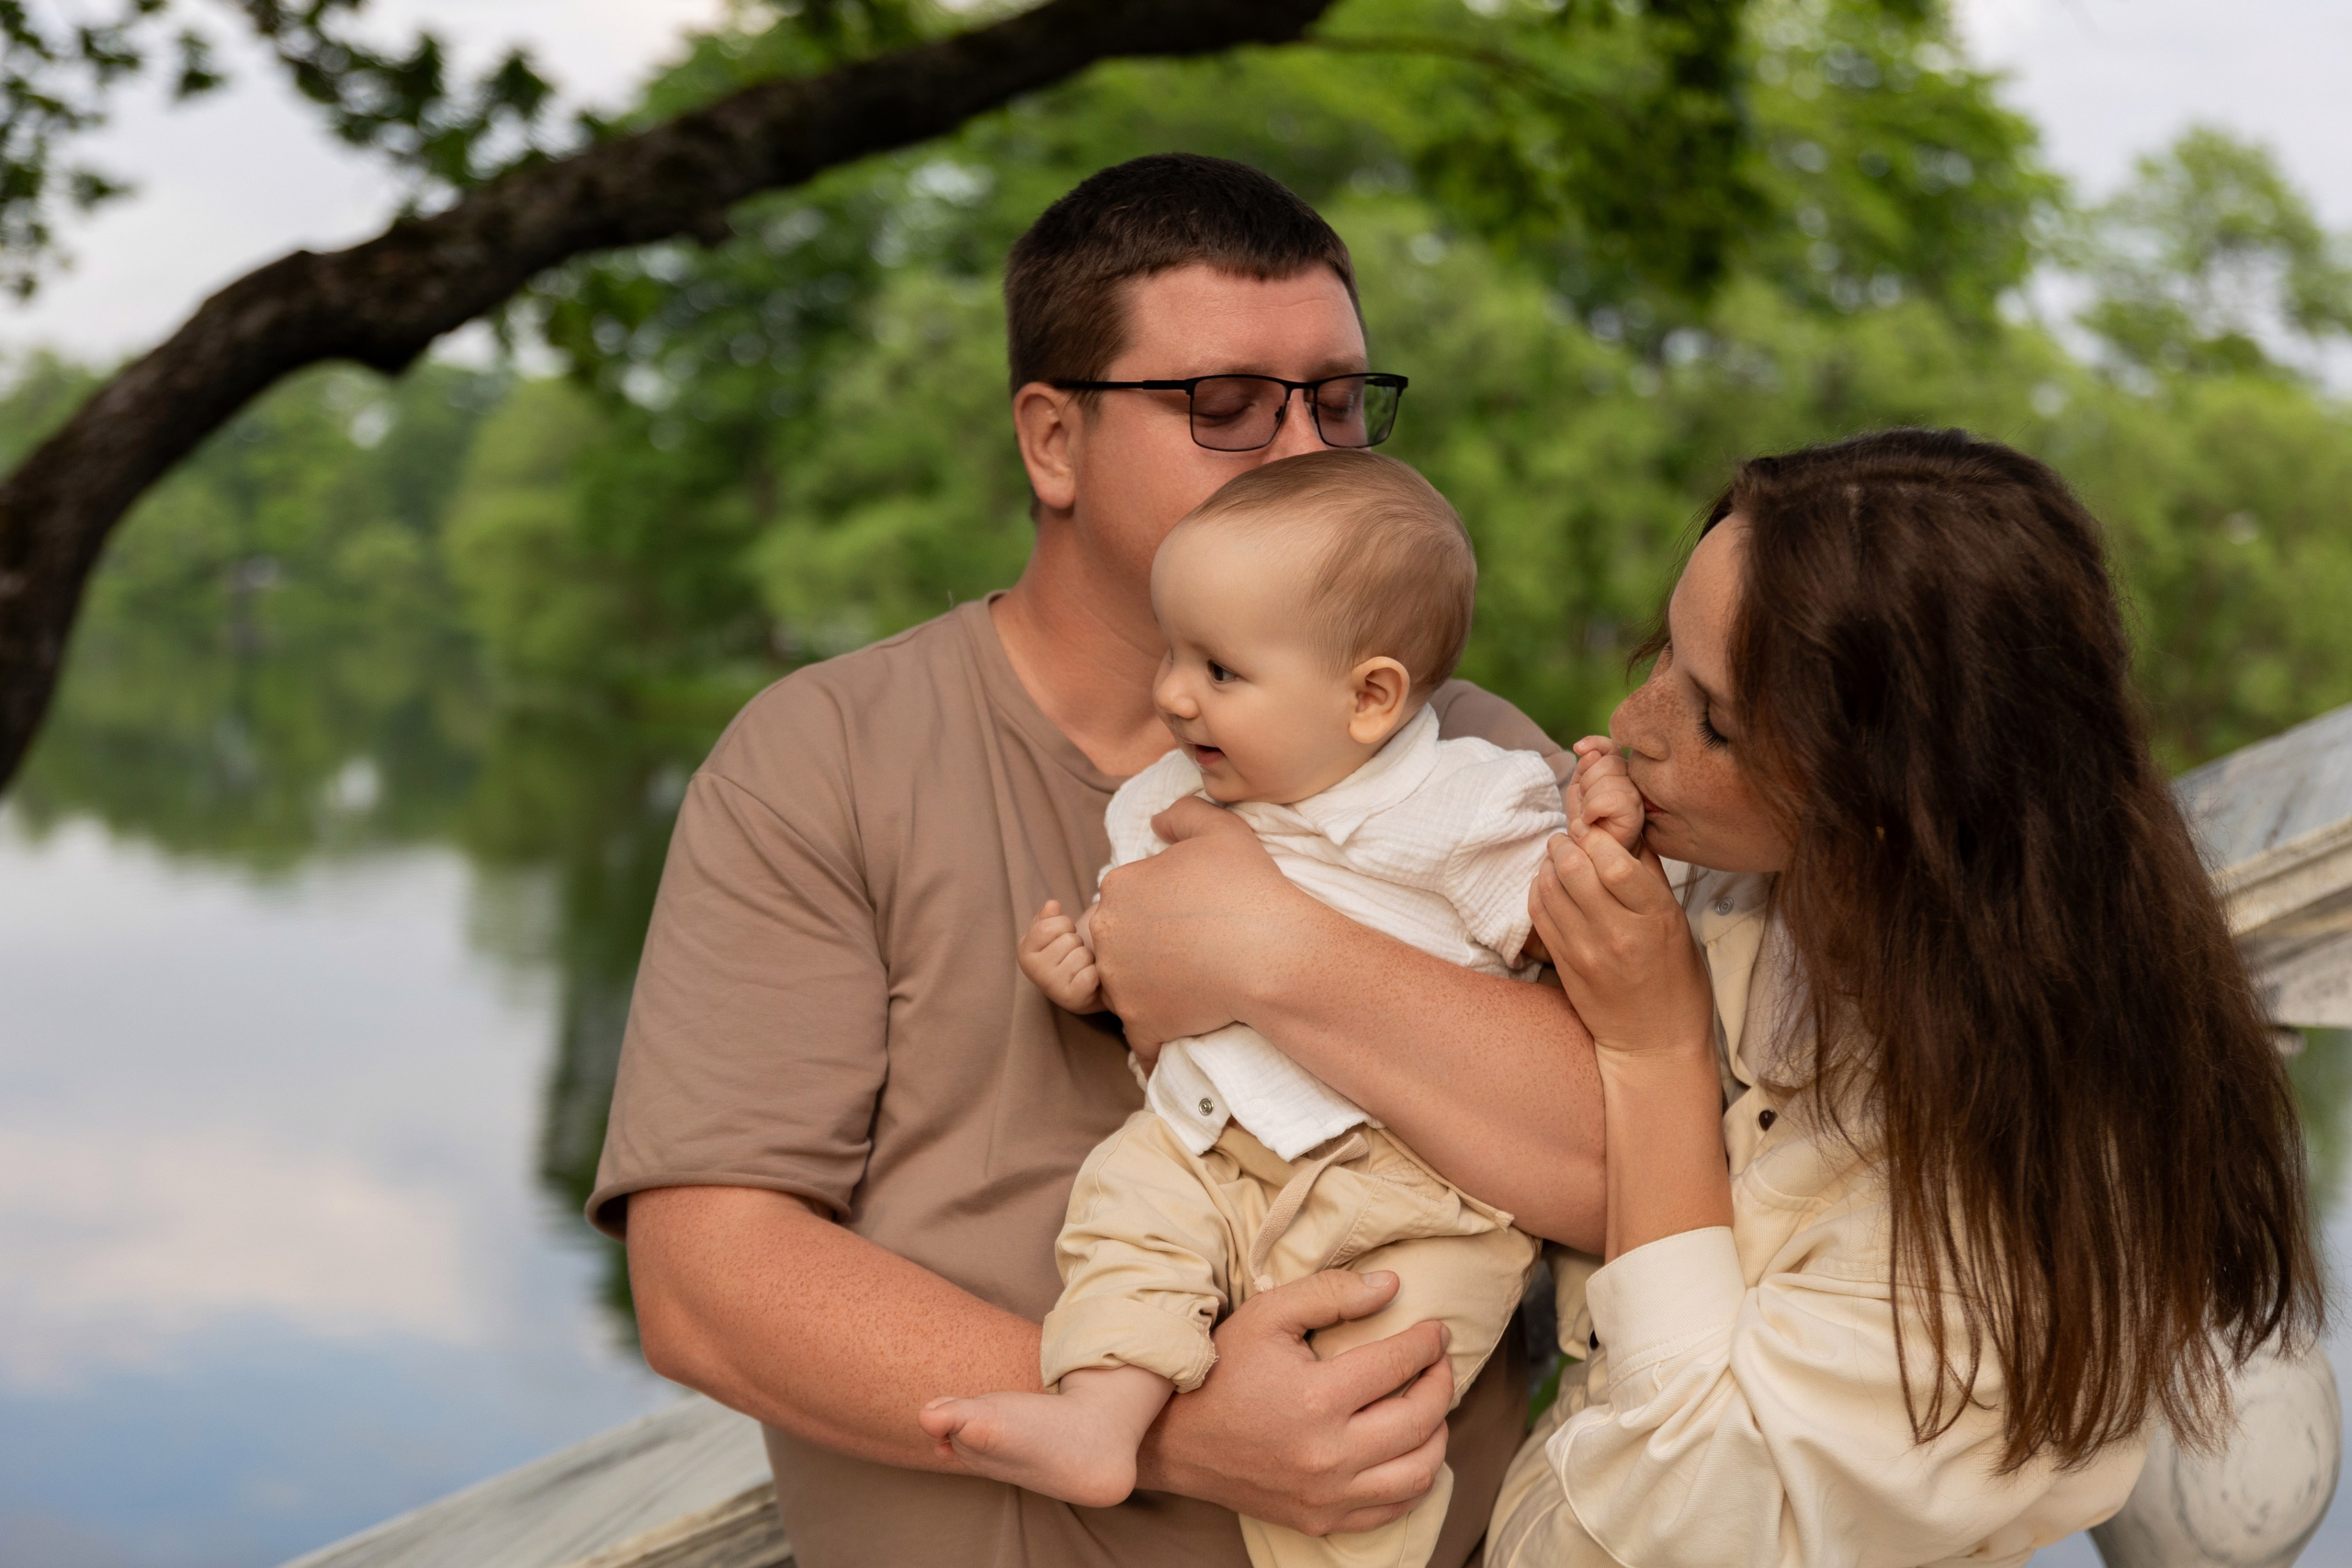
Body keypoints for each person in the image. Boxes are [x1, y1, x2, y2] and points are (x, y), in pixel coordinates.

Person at [588, 154, 1609, 1568]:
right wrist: (1169, 1426)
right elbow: (707, 1279)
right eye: (1227, 405)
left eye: (1336, 402)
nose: (1305, 451)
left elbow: (1635, 1166)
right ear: (1053, 441)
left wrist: (1274, 949)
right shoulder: (826, 753)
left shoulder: (1467, 759)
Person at [1479, 428, 2323, 1566]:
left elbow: (1687, 1516)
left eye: (1715, 721)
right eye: (1663, 652)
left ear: (1896, 792)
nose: (1632, 725)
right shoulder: (1760, 886)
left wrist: (1654, 1052)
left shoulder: (2012, 1211)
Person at [923, 451, 1637, 1568]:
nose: (1172, 693)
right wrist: (1085, 974)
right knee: (1121, 1211)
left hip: (1418, 1191)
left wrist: (1597, 843)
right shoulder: (1173, 799)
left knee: (1369, 1418)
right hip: (1210, 1137)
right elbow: (1149, 966)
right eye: (1171, 652)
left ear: (1369, 698)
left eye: (1218, 668)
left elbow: (1562, 938)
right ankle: (1101, 1416)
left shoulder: (1461, 800)